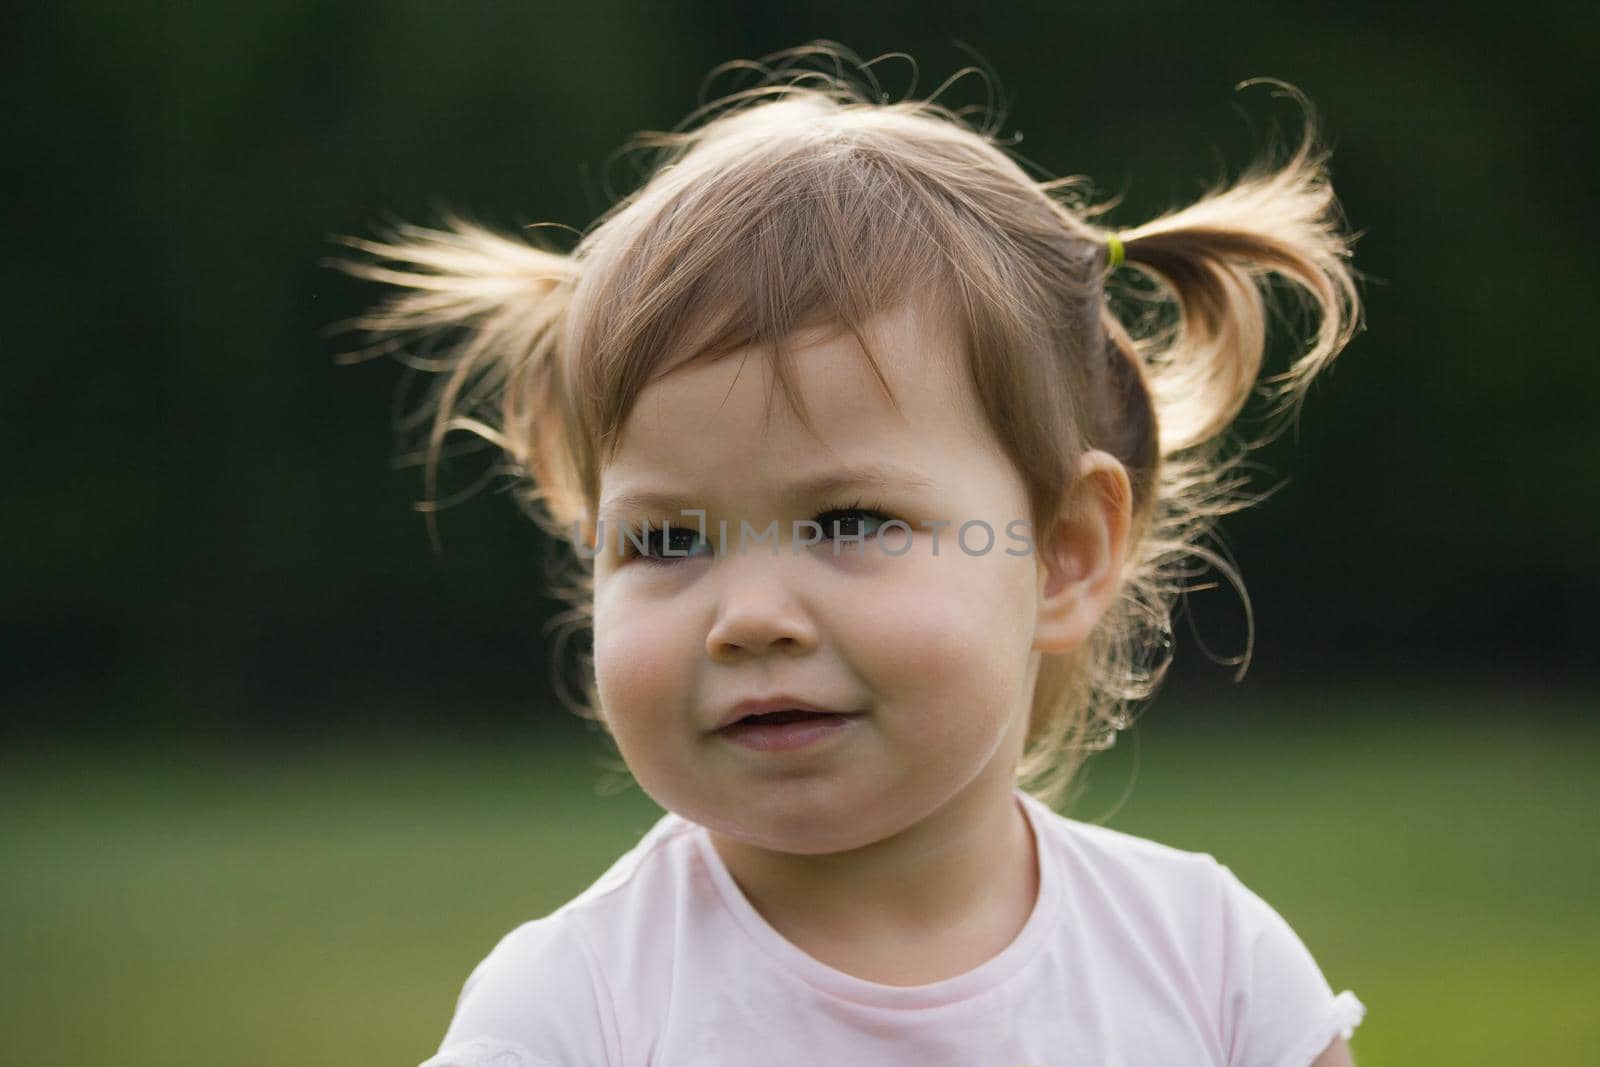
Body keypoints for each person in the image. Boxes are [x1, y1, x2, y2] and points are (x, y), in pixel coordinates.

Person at [332, 41, 1368, 1067]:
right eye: (665, 538)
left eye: (847, 522)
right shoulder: (573, 1011)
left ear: (1062, 553)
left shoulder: (1209, 968)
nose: (748, 616)